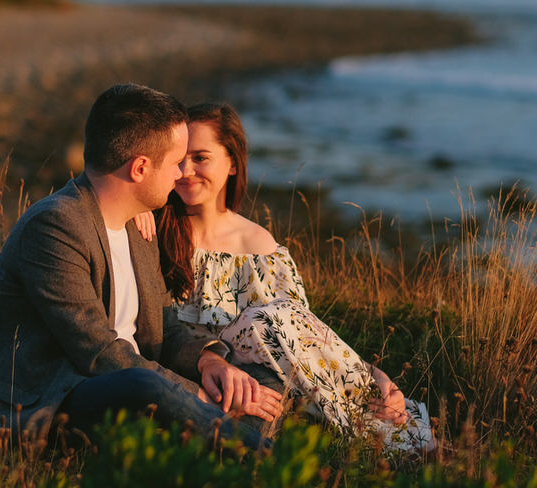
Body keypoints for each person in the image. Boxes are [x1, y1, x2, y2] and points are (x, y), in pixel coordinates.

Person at [0, 82, 283, 451]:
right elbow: (97, 352)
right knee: (143, 387)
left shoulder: (137, 223)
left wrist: (211, 363)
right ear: (140, 168)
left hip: (129, 386)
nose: (180, 175)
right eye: (176, 163)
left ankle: (217, 449)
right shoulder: (55, 227)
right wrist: (195, 399)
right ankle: (257, 457)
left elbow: (165, 326)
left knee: (253, 376)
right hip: (50, 399)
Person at [152, 101, 434, 454]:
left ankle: (390, 431)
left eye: (200, 157)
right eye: (179, 159)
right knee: (260, 320)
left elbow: (303, 336)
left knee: (269, 320)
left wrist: (374, 374)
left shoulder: (261, 246)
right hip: (187, 369)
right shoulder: (155, 227)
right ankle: (397, 441)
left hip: (260, 381)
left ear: (233, 163)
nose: (186, 170)